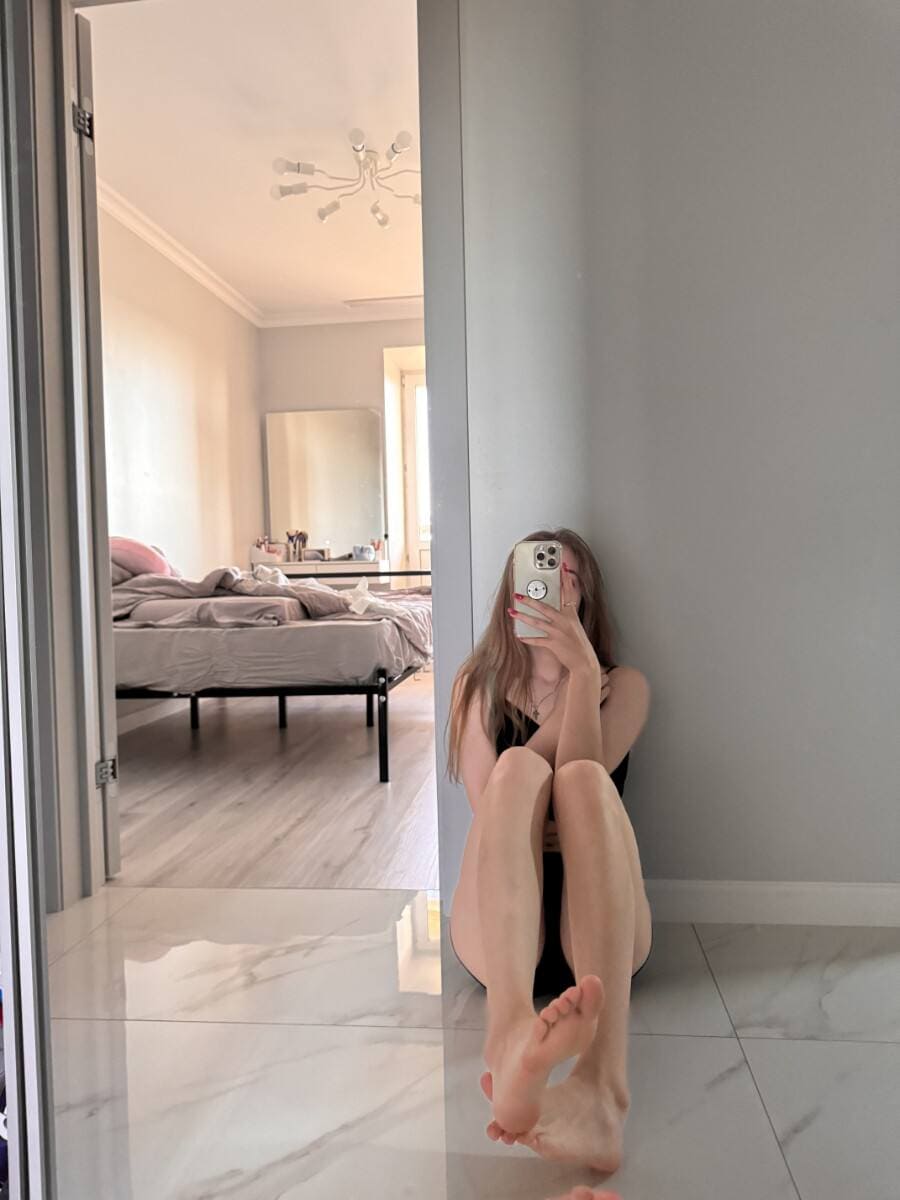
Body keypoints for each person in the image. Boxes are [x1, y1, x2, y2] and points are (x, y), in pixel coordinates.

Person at [446, 528, 652, 1182]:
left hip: (601, 928)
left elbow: (582, 775)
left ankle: (600, 1089)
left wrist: (584, 674)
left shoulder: (624, 685)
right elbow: (491, 809)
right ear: (513, 589)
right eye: (538, 573)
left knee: (584, 781)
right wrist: (531, 769)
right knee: (515, 770)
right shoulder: (475, 686)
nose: (553, 586)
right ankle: (509, 1029)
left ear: (586, 594)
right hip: (505, 923)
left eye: (568, 576)